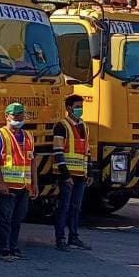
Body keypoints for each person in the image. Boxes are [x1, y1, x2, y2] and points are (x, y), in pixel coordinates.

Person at [0, 102, 37, 260]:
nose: (18, 118)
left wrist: (34, 184)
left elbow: (32, 161)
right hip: (7, 187)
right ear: (7, 116)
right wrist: (1, 183)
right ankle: (4, 250)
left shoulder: (28, 136)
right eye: (15, 115)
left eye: (21, 115)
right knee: (5, 219)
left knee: (18, 219)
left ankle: (14, 248)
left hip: (24, 186)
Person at [52, 94, 90, 251]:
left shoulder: (84, 126)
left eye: (81, 106)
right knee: (64, 207)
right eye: (77, 107)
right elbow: (58, 151)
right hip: (67, 175)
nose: (80, 109)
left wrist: (88, 172)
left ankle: (73, 237)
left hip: (80, 175)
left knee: (76, 207)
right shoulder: (62, 126)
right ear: (68, 108)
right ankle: (60, 239)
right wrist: (66, 175)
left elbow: (86, 151)